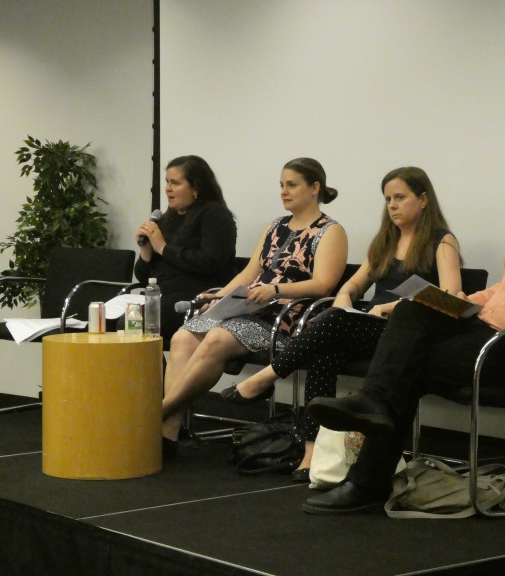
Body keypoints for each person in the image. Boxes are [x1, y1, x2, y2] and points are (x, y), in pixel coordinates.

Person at [302, 149, 505, 514]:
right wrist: (455, 301)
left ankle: (367, 477)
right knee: (414, 305)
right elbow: (502, 294)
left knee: (409, 368)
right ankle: (372, 414)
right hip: (492, 335)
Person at [220, 166, 463, 480]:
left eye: (400, 197)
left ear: (424, 199)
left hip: (403, 334)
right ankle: (312, 456)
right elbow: (352, 285)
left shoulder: (442, 242)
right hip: (368, 327)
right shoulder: (386, 243)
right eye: (388, 198)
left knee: (333, 326)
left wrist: (389, 307)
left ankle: (266, 376)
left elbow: (450, 297)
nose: (392, 205)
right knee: (325, 353)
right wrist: (346, 300)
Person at [161, 157, 349, 455]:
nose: (284, 191)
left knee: (217, 339)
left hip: (285, 318)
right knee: (182, 338)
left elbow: (323, 285)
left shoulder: (330, 231)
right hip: (248, 307)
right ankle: (167, 435)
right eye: (281, 185)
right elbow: (250, 272)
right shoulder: (275, 226)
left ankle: (159, 412)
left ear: (315, 188)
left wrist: (275, 289)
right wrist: (220, 296)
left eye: (291, 185)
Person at [133, 155, 237, 345]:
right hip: (164, 295)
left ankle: (156, 375)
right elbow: (144, 278)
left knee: (141, 321)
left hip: (198, 297)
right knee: (121, 318)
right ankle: (151, 374)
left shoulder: (215, 215)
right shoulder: (167, 219)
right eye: (166, 182)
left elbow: (210, 262)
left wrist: (163, 248)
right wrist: (146, 251)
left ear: (196, 187)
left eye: (175, 183)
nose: (167, 188)